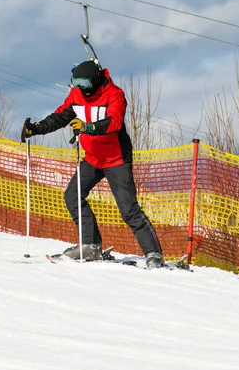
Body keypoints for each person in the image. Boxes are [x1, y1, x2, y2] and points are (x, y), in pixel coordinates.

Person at [21, 60, 165, 269]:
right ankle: (90, 245)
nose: (82, 88)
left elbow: (115, 122)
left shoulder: (115, 94)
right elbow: (60, 117)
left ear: (96, 80)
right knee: (73, 195)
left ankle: (154, 254)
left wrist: (88, 127)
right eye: (77, 82)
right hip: (92, 158)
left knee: (128, 209)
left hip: (116, 158)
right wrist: (36, 129)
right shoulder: (76, 95)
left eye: (86, 83)